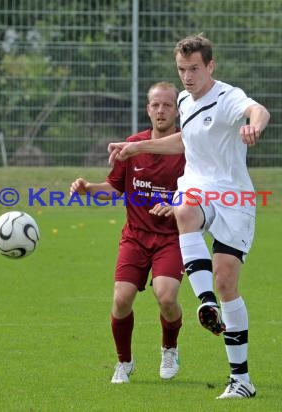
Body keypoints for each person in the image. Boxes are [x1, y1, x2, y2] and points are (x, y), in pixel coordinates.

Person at [108, 34, 271, 399]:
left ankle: (241, 380)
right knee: (184, 210)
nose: (187, 77)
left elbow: (258, 111)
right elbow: (186, 141)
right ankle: (205, 302)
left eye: (194, 69)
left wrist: (253, 126)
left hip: (233, 196)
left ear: (210, 66)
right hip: (199, 187)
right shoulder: (183, 99)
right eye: (182, 70)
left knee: (228, 282)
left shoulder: (228, 97)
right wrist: (137, 146)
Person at [70, 82, 186, 384]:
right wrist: (89, 188)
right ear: (148, 109)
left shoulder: (188, 148)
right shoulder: (133, 145)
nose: (161, 110)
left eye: (167, 105)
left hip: (171, 238)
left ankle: (169, 348)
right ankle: (124, 362)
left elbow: (199, 193)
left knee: (167, 297)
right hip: (135, 236)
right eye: (155, 105)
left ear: (177, 109)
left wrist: (176, 205)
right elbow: (115, 189)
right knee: (121, 300)